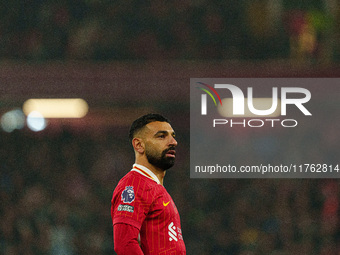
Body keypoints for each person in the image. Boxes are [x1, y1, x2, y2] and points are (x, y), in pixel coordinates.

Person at [111, 113, 186, 254]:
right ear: (139, 145)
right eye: (161, 136)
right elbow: (124, 244)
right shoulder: (134, 185)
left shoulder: (154, 187)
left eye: (172, 136)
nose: (173, 142)